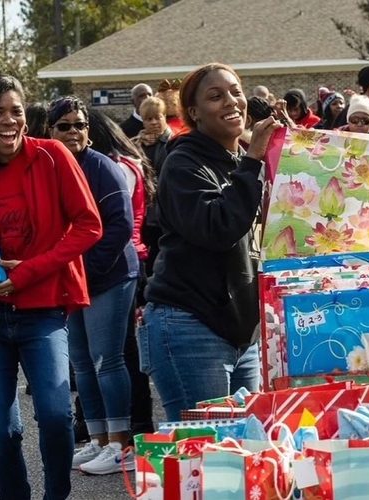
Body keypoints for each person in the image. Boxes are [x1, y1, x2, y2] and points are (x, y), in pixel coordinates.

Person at [139, 63, 282, 421]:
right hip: (190, 325)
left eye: (236, 92)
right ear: (193, 113)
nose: (232, 101)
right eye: (215, 96)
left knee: (246, 448)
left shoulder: (241, 158)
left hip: (241, 334)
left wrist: (290, 158)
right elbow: (218, 228)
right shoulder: (182, 162)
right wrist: (252, 162)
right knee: (205, 455)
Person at [0, 75, 102, 500]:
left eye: (15, 111)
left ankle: (56, 495)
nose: (8, 120)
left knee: (57, 416)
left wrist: (28, 272)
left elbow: (90, 225)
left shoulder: (53, 155)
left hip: (43, 311)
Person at [47, 96, 140, 475]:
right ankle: (98, 439)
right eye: (65, 125)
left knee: (107, 360)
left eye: (80, 124)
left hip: (110, 276)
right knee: (82, 365)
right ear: (49, 130)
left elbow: (119, 225)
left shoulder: (102, 167)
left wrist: (87, 273)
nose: (74, 131)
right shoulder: (50, 166)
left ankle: (122, 444)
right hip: (74, 279)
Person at [86, 108, 158, 437]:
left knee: (121, 354)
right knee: (121, 352)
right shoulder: (127, 162)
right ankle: (127, 428)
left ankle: (135, 427)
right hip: (128, 257)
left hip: (123, 261)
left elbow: (119, 221)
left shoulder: (115, 167)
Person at [135, 96, 172, 280]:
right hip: (144, 210)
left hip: (165, 211)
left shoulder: (173, 143)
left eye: (158, 117)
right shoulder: (136, 145)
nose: (154, 122)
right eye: (149, 119)